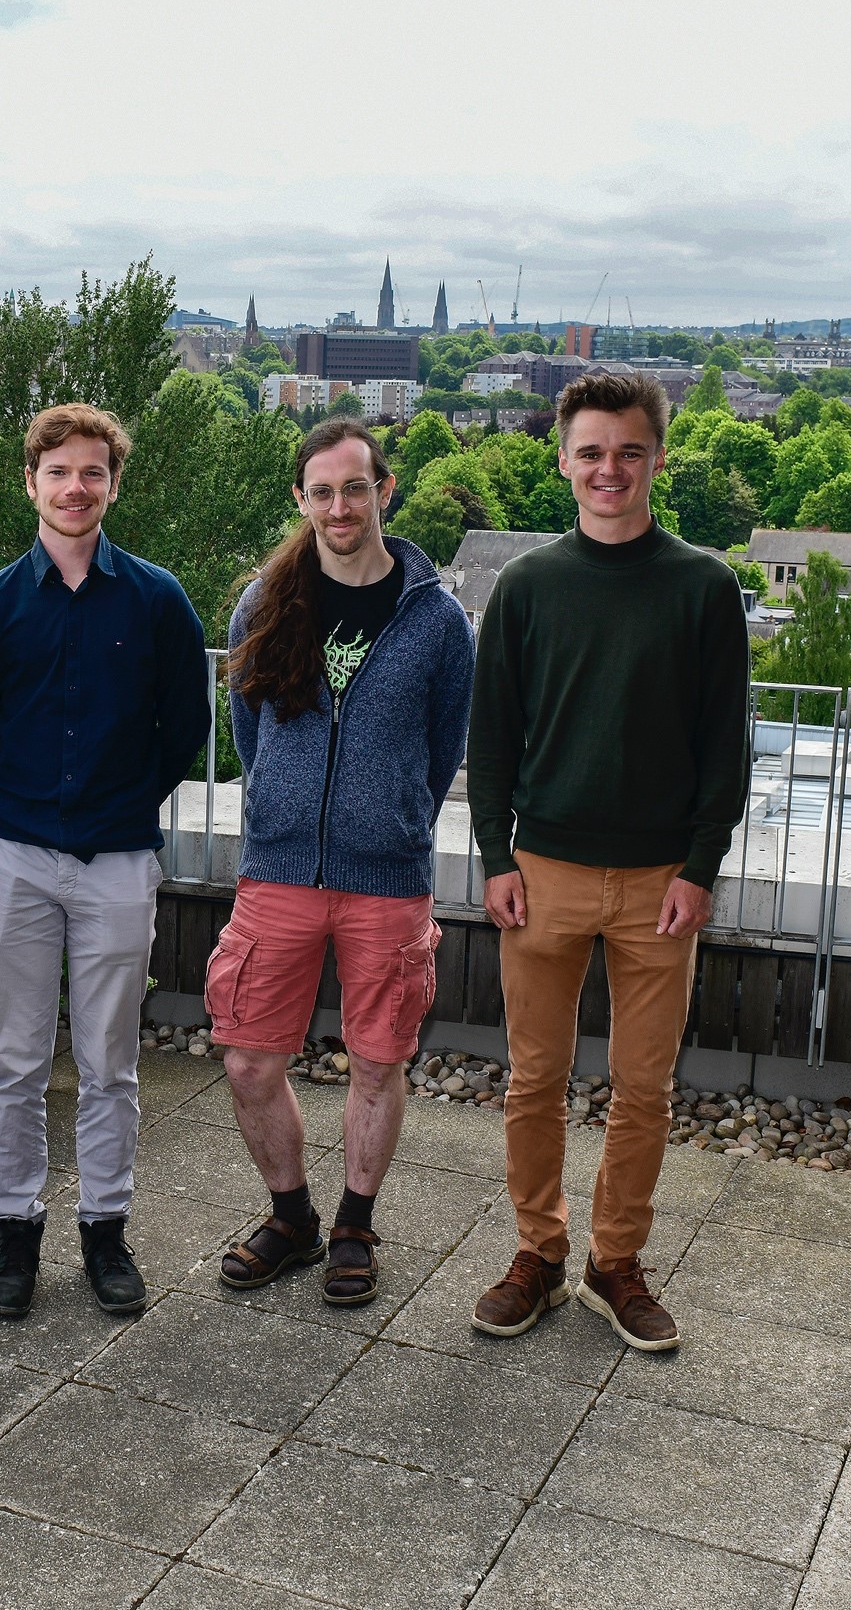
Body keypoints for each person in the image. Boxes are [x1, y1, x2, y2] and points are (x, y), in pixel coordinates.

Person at [467, 370, 749, 1351]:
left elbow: (725, 746)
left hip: (657, 885)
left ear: (656, 458)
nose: (608, 469)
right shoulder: (528, 586)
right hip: (538, 872)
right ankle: (537, 1253)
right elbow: (490, 737)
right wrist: (493, 856)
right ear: (562, 461)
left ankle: (612, 1263)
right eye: (589, 451)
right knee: (532, 1081)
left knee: (642, 1088)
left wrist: (699, 867)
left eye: (627, 451)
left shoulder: (703, 587)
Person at [205, 418, 472, 1306]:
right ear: (301, 500)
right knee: (247, 1057)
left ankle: (355, 1220)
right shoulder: (264, 602)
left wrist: (387, 818)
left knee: (376, 1059)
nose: (339, 506)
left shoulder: (435, 619)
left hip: (384, 877)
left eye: (354, 487)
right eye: (321, 491)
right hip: (278, 869)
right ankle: (292, 1216)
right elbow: (249, 731)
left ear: (384, 490)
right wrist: (284, 805)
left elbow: (443, 750)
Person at [0, 402, 209, 1318]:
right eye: (57, 471)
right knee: (13, 1061)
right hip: (13, 855)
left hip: (116, 858)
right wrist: (29, 806)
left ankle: (105, 1229)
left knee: (109, 1061)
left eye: (91, 471)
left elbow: (184, 724)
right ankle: (14, 1232)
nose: (74, 487)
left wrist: (123, 805)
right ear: (31, 482)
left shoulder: (155, 598)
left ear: (111, 483)